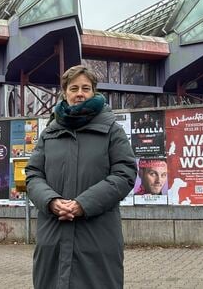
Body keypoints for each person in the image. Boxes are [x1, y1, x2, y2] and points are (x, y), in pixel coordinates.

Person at [26, 65, 137, 289]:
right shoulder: (49, 133)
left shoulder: (112, 130)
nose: (79, 93)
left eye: (86, 88)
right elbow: (33, 175)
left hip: (97, 239)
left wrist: (82, 204)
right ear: (64, 92)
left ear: (94, 92)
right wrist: (52, 202)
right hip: (53, 239)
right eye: (74, 88)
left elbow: (124, 173)